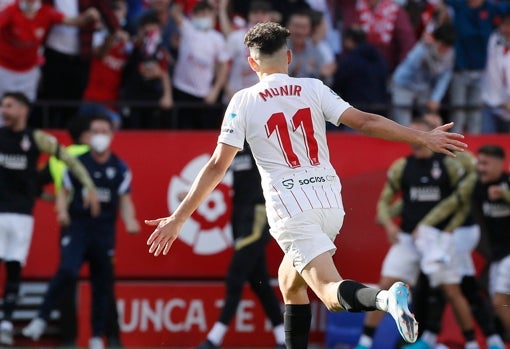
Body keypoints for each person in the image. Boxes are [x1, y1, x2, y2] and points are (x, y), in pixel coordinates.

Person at [144, 22, 468, 349]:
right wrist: (423, 136)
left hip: (292, 209)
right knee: (290, 284)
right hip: (329, 202)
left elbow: (216, 166)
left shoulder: (243, 101)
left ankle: (385, 299)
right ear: (289, 57)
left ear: (251, 63)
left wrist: (179, 217)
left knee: (328, 291)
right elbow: (367, 122)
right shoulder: (313, 88)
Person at [354, 117, 478, 349]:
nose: (415, 136)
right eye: (411, 132)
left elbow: (460, 200)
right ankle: (365, 342)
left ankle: (473, 343)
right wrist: (389, 224)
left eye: (420, 132)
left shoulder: (448, 163)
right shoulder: (402, 166)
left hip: (438, 238)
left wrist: (442, 227)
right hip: (408, 237)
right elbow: (383, 203)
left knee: (451, 290)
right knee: (385, 286)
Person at [22, 115, 140, 349]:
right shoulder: (77, 162)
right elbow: (64, 192)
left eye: (104, 131)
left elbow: (125, 200)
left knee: (102, 284)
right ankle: (41, 318)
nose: (99, 136)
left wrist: (130, 221)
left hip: (104, 231)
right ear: (88, 135)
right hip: (77, 226)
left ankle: (97, 336)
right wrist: (62, 211)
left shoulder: (119, 167)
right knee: (67, 270)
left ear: (111, 135)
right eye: (95, 131)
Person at [0, 92, 100, 346]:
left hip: (22, 216)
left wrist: (88, 185)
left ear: (24, 110)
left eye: (9, 105)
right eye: (2, 105)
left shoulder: (36, 138)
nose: (3, 110)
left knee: (14, 268)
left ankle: (6, 322)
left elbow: (68, 159)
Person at [196, 145, 285, 349]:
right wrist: (193, 192)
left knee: (235, 276)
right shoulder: (234, 146)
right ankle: (283, 338)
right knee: (258, 281)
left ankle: (214, 338)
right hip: (239, 218)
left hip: (259, 215)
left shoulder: (261, 140)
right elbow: (215, 170)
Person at [0, 0, 101, 126]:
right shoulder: (10, 11)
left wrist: (89, 17)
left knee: (25, 109)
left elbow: (72, 21)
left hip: (28, 72)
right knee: (3, 108)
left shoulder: (46, 12)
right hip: (5, 70)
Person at [472, 145, 510, 337]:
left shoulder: (507, 183)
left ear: (499, 163)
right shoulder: (478, 187)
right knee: (498, 304)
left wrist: (504, 195)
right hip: (496, 256)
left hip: (508, 255)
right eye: (479, 163)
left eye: (485, 163)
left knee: (499, 302)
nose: (481, 168)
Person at [390, 23, 456, 126]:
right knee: (402, 123)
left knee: (432, 121)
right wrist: (423, 49)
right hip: (404, 84)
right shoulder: (421, 49)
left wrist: (435, 98)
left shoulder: (450, 54)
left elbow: (444, 77)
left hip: (424, 87)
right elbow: (410, 67)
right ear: (435, 40)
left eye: (447, 47)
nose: (444, 50)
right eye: (442, 45)